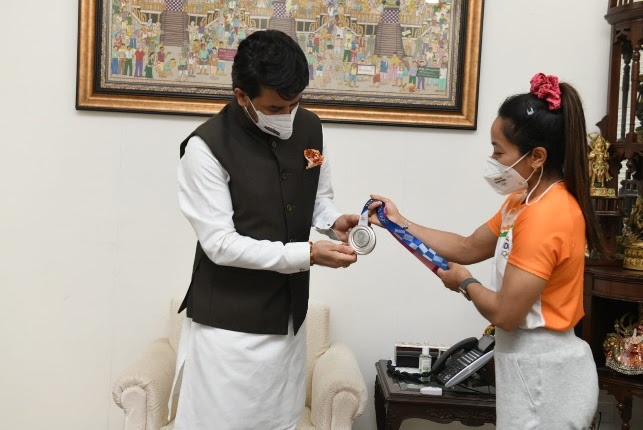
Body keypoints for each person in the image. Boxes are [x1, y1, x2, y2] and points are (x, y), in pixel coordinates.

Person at [369, 73, 601, 429]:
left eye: (499, 151)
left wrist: (465, 283)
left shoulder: (548, 215)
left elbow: (506, 314)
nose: (493, 159)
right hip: (525, 366)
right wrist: (399, 223)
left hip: (546, 375)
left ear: (537, 157)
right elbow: (467, 246)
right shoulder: (521, 202)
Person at [172, 29, 359, 430]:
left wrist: (333, 222)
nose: (288, 114)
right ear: (242, 96)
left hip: (288, 324)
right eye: (276, 107)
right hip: (227, 333)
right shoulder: (204, 148)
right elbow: (221, 244)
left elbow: (317, 196)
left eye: (295, 102)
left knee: (280, 423)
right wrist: (309, 254)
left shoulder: (309, 128)